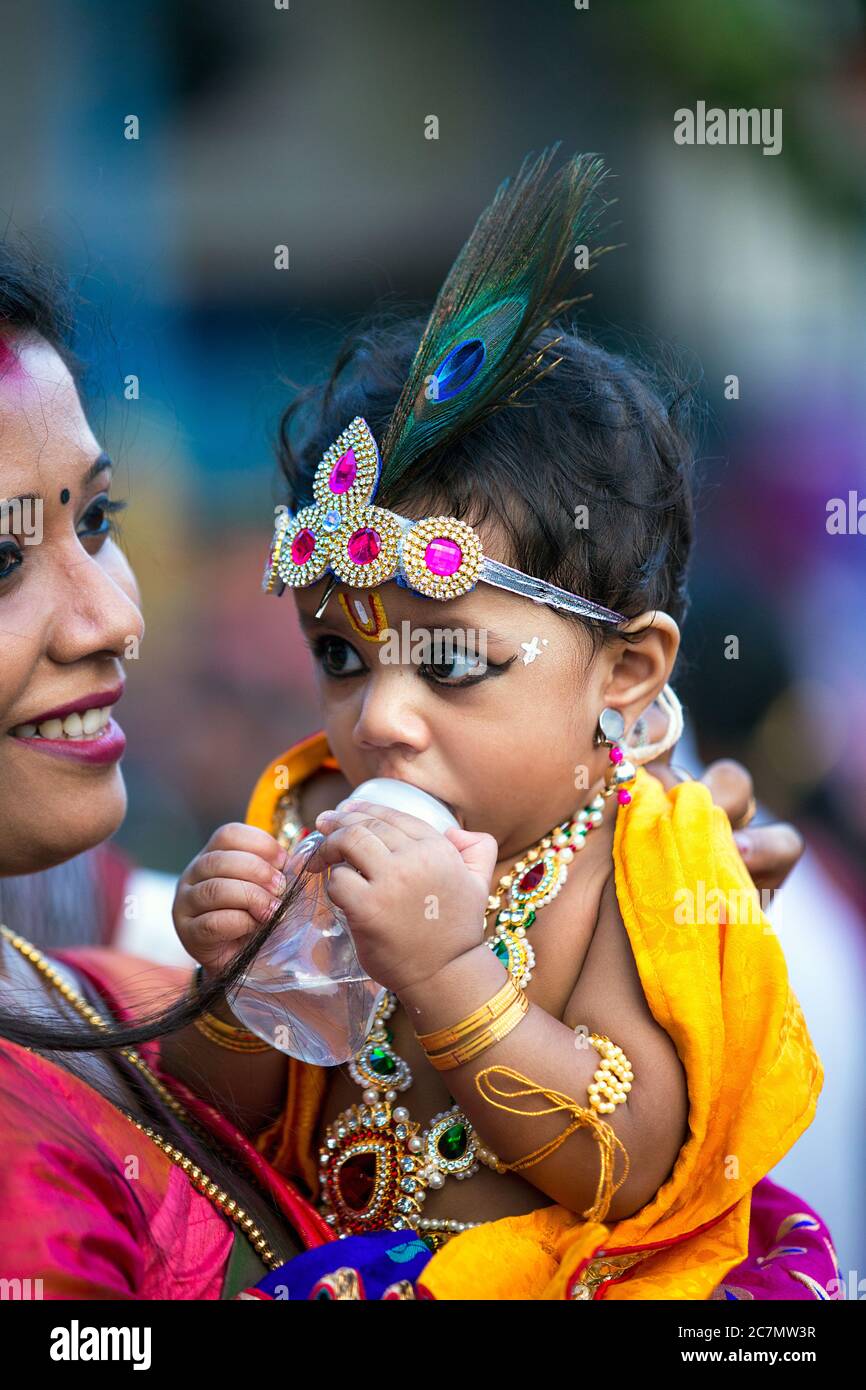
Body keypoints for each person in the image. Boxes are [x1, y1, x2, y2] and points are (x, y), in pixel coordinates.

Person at [169, 148, 841, 1300]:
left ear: (625, 671)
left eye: (453, 663)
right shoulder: (313, 815)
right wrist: (228, 989)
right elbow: (218, 1117)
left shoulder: (637, 856)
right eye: (340, 654)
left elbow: (624, 1163)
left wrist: (449, 971)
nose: (381, 717)